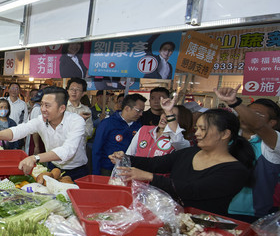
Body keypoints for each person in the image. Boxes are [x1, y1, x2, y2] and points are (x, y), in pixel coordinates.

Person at [110, 109, 255, 216]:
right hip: (170, 219)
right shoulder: (189, 153)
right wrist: (126, 158)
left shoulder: (235, 170)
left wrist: (150, 177)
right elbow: (156, 163)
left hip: (203, 228)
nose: (197, 133)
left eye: (203, 129)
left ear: (225, 134)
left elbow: (194, 190)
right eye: (197, 128)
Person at [0, 86, 89, 180]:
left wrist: (34, 158)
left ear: (62, 108)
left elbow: (67, 151)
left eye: (47, 105)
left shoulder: (76, 121)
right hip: (53, 167)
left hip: (77, 171)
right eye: (41, 104)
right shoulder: (40, 120)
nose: (43, 109)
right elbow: (18, 131)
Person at [215, 86, 280, 221]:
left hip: (251, 215)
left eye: (256, 115)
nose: (246, 116)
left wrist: (235, 103)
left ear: (272, 123)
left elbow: (259, 126)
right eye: (247, 112)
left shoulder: (271, 145)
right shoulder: (227, 137)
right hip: (218, 207)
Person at [92, 93, 146, 175]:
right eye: (138, 111)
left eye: (142, 111)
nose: (141, 114)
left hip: (129, 171)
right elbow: (97, 149)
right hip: (107, 170)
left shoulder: (139, 126)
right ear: (127, 108)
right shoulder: (108, 123)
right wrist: (95, 173)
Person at [126, 94, 192, 157]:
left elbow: (177, 140)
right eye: (164, 113)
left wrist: (169, 112)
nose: (165, 117)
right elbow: (129, 155)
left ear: (181, 121)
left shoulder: (182, 142)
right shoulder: (144, 129)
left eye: (171, 115)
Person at [28, 90, 45, 154]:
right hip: (36, 141)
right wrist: (36, 146)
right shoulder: (37, 109)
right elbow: (35, 129)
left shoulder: (36, 108)